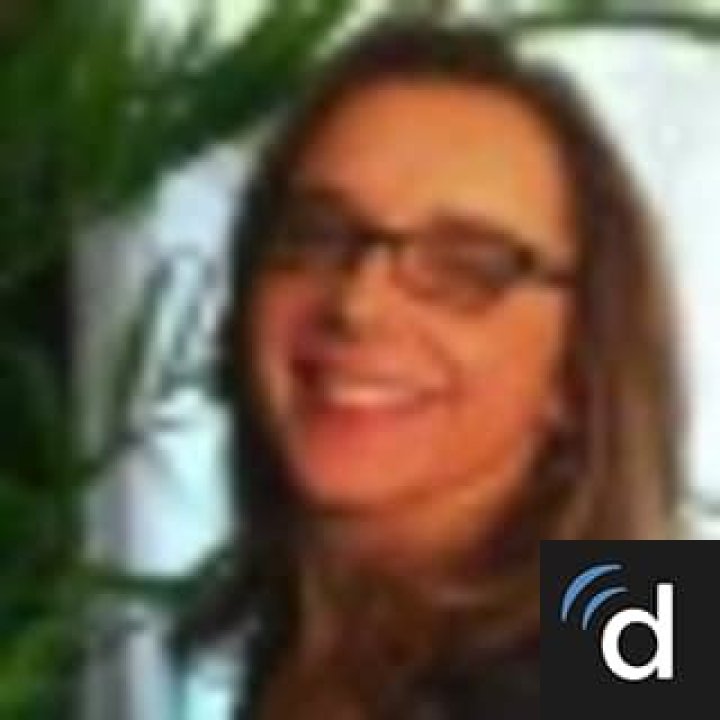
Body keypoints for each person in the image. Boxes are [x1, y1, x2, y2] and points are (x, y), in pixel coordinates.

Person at [192, 20, 684, 720]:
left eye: (466, 265)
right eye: (319, 235)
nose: (358, 303)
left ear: (578, 369)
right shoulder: (326, 632)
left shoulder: (631, 660)